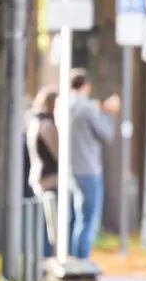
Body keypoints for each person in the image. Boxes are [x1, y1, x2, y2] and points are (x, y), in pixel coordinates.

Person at [69, 69, 120, 259]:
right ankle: (82, 261)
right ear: (86, 86)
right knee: (88, 219)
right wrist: (110, 113)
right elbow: (106, 134)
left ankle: (74, 259)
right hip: (89, 169)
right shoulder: (87, 107)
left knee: (76, 218)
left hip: (70, 169)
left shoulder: (63, 104)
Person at [26, 86, 59, 257]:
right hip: (50, 179)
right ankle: (45, 259)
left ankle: (41, 259)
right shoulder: (47, 125)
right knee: (49, 225)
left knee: (44, 223)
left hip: (39, 176)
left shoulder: (34, 122)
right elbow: (59, 153)